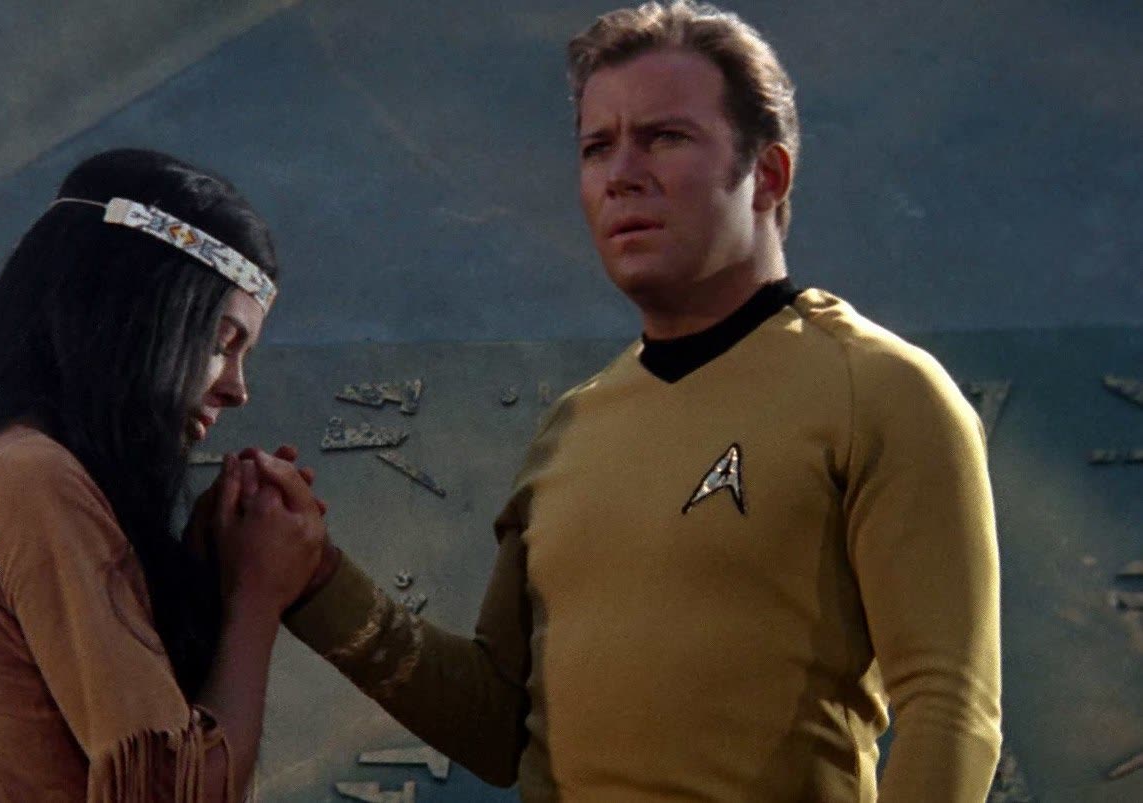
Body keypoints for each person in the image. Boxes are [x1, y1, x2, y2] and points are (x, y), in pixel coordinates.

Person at [250, 2, 1003, 800]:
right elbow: (500, 725)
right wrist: (318, 579)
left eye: (665, 137)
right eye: (596, 147)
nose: (622, 174)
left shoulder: (880, 390)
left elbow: (952, 709)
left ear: (767, 175)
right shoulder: (570, 429)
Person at [0, 149, 328, 802]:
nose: (238, 389)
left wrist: (208, 572)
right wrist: (256, 597)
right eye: (220, 344)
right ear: (134, 316)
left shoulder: (14, 467)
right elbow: (169, 793)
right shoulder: (36, 477)